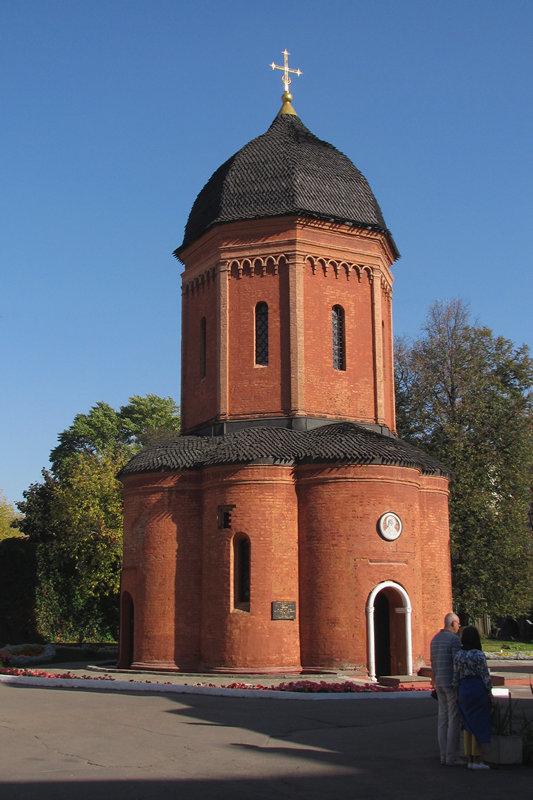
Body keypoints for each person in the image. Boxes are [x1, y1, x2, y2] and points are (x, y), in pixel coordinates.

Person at [453, 625, 492, 770]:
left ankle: (468, 757)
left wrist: (457, 691)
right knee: (478, 722)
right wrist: (490, 691)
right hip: (477, 688)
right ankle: (476, 759)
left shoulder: (459, 655)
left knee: (467, 722)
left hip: (463, 688)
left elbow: (455, 675)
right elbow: (485, 676)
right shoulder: (478, 655)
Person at [430, 612, 462, 765]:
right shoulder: (454, 640)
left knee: (442, 719)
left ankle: (443, 755)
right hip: (451, 683)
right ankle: (451, 756)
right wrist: (458, 682)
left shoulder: (435, 639)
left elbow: (433, 663)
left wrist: (434, 681)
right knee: (453, 719)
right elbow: (457, 663)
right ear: (452, 624)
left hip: (439, 682)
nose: (459, 626)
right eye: (458, 623)